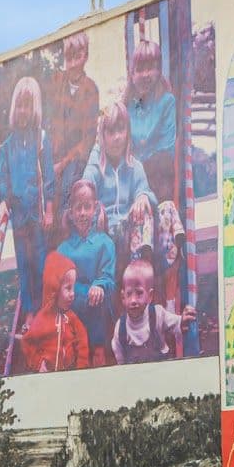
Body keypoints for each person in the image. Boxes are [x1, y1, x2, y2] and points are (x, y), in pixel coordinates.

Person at [0, 76, 54, 315]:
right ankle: (29, 311)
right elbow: (2, 178)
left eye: (27, 105)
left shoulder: (41, 139)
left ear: (34, 108)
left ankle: (44, 310)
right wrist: (3, 201)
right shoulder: (7, 146)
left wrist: (49, 210)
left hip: (37, 214)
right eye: (19, 105)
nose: (23, 110)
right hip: (18, 215)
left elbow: (49, 176)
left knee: (40, 261)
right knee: (23, 264)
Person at [83, 101, 155, 272]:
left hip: (128, 229)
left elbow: (145, 190)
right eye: (111, 131)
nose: (117, 137)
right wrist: (97, 206)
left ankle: (140, 272)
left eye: (121, 130)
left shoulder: (134, 166)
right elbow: (85, 190)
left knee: (157, 210)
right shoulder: (96, 165)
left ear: (127, 133)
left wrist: (142, 196)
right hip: (105, 229)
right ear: (102, 135)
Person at [56, 180, 116, 364]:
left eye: (87, 207)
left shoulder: (104, 242)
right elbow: (57, 282)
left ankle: (98, 352)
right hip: (73, 305)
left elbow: (109, 277)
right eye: (78, 208)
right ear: (71, 213)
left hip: (96, 305)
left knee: (96, 299)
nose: (82, 213)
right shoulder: (63, 249)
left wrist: (99, 286)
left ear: (95, 208)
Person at [47, 32, 99, 216]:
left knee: (69, 186)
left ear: (85, 57)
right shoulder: (58, 82)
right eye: (69, 58)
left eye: (78, 57)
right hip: (54, 157)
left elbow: (88, 139)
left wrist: (63, 163)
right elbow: (51, 123)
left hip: (76, 161)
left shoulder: (90, 89)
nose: (73, 64)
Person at [15, 251, 88, 373]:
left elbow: (82, 340)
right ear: (55, 288)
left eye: (73, 287)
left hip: (71, 369)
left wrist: (82, 366)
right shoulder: (42, 319)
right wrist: (38, 363)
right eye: (68, 288)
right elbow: (27, 342)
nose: (73, 293)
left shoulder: (71, 317)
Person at [125, 37, 178, 204]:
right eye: (140, 69)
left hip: (158, 175)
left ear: (158, 71)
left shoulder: (167, 101)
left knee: (162, 163)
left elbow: (167, 147)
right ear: (132, 74)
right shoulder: (126, 106)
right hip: (132, 175)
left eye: (151, 68)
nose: (145, 75)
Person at [111, 258, 193, 365]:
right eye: (129, 294)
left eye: (139, 293)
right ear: (123, 297)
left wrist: (182, 321)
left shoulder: (157, 314)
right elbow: (120, 357)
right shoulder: (121, 327)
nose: (133, 300)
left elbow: (175, 323)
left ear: (150, 296)